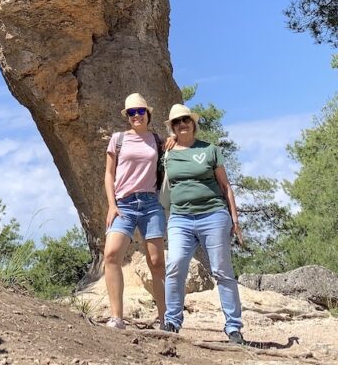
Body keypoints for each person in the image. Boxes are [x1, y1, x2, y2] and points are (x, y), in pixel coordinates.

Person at [161, 103, 245, 345]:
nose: (182, 124)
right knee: (175, 264)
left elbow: (225, 186)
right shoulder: (166, 153)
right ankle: (172, 322)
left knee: (222, 271)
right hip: (180, 218)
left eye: (186, 120)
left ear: (194, 123)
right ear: (173, 128)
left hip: (213, 215)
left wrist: (235, 219)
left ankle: (233, 327)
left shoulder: (209, 150)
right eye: (177, 122)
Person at [102, 92, 166, 330]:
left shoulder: (157, 141)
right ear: (127, 116)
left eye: (140, 111)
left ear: (148, 114)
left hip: (150, 204)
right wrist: (112, 205)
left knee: (157, 262)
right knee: (111, 255)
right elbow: (109, 174)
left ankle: (164, 319)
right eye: (131, 113)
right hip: (124, 204)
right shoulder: (118, 139)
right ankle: (117, 317)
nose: (136, 116)